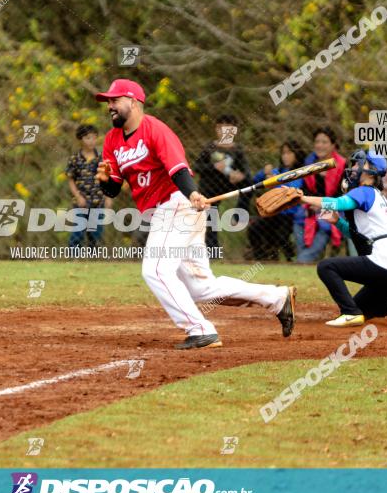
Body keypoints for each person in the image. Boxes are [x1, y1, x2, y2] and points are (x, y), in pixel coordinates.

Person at [93, 79, 296, 349]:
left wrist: (192, 194)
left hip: (176, 205)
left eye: (114, 100)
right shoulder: (112, 140)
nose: (110, 106)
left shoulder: (156, 130)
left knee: (155, 270)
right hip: (161, 213)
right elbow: (113, 189)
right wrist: (104, 179)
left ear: (134, 102)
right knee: (202, 288)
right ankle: (277, 297)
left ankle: (200, 329)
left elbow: (178, 168)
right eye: (108, 101)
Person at [298, 149, 387, 328]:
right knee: (359, 307)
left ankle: (349, 313)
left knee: (326, 267)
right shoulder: (376, 195)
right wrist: (337, 222)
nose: (354, 168)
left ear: (371, 171)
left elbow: (337, 203)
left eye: (359, 164)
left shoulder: (365, 191)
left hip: (384, 262)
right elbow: (358, 236)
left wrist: (303, 198)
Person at [192, 114, 252, 254]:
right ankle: (212, 252)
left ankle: (238, 214)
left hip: (228, 186)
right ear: (217, 129)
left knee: (249, 183)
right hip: (210, 189)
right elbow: (197, 167)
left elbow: (246, 172)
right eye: (221, 128)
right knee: (210, 219)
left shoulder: (237, 150)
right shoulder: (210, 147)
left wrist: (239, 176)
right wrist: (213, 167)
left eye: (229, 128)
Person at [247, 141, 306, 260]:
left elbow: (292, 190)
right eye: (283, 153)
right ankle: (262, 259)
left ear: (296, 154)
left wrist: (275, 183)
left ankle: (291, 260)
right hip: (274, 213)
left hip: (290, 215)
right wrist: (264, 172)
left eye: (289, 153)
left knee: (281, 236)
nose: (285, 156)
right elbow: (255, 181)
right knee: (254, 228)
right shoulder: (278, 171)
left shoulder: (301, 172)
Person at [296, 127, 347, 263]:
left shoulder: (342, 164)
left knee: (325, 224)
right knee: (299, 219)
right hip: (311, 207)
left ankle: (303, 260)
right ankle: (304, 258)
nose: (320, 145)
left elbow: (342, 196)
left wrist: (320, 206)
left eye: (324, 142)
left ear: (333, 145)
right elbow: (305, 189)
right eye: (317, 142)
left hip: (335, 207)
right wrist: (311, 204)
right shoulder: (309, 163)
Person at [65, 124, 112, 250]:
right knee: (78, 231)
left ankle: (93, 260)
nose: (91, 141)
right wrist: (78, 196)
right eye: (87, 138)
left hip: (98, 201)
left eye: (94, 138)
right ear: (80, 139)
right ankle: (74, 257)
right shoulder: (75, 159)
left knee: (95, 233)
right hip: (81, 203)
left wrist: (108, 197)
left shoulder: (103, 157)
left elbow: (107, 178)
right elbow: (70, 179)